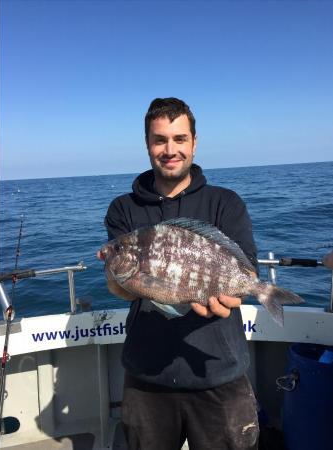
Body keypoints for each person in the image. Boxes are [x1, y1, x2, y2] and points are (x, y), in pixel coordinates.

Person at [102, 98, 259, 450]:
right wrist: (122, 277)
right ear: (147, 145)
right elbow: (121, 286)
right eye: (160, 140)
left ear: (194, 142)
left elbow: (246, 272)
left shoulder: (226, 203)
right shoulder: (122, 210)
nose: (170, 149)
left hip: (219, 372)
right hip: (147, 376)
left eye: (179, 138)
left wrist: (233, 295)